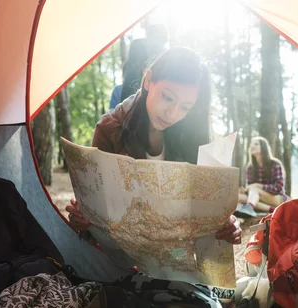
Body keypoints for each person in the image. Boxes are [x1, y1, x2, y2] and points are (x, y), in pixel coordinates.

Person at [67, 47, 242, 244]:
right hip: (118, 255)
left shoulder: (192, 135)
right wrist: (82, 217)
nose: (172, 114)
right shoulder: (110, 129)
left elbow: (206, 207)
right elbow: (95, 208)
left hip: (175, 256)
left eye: (185, 107)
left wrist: (228, 224)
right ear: (148, 80)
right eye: (167, 97)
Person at [235, 137, 288, 218]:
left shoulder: (275, 164)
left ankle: (249, 207)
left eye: (256, 144)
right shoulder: (250, 167)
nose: (252, 146)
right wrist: (245, 190)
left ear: (264, 147)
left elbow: (279, 188)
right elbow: (251, 189)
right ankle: (272, 210)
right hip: (257, 198)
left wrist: (259, 186)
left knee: (254, 189)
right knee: (238, 196)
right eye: (251, 145)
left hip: (277, 198)